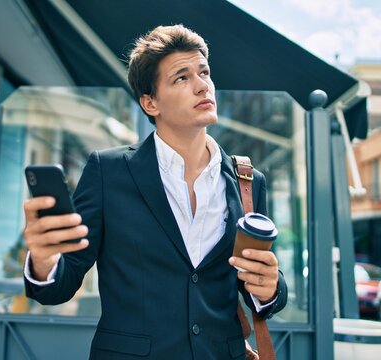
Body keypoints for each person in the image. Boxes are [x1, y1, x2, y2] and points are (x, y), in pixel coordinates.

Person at [23, 24, 287, 359]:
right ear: (150, 103)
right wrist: (44, 260)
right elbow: (61, 284)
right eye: (182, 77)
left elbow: (258, 288)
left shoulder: (248, 181)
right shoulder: (108, 172)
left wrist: (270, 287)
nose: (202, 85)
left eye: (204, 72)